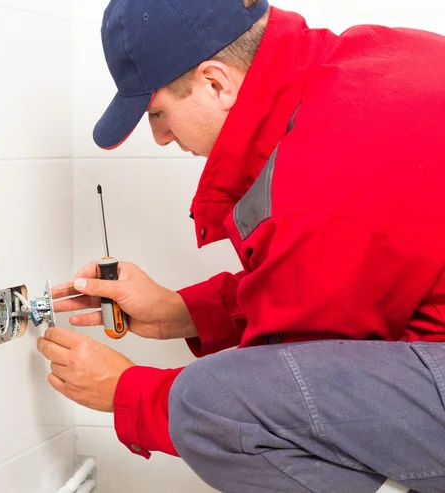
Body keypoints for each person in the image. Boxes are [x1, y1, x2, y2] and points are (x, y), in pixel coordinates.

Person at [37, 0, 445, 491]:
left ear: (216, 82)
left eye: (158, 112)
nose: (162, 137)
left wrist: (126, 392)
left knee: (208, 401)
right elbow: (341, 281)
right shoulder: (377, 58)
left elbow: (285, 389)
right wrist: (179, 312)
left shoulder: (315, 184)